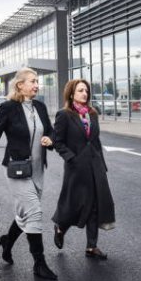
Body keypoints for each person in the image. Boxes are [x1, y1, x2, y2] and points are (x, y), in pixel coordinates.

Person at [0, 68, 58, 280]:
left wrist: (50, 140)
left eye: (37, 81)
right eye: (32, 81)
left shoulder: (40, 107)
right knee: (34, 213)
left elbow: (50, 131)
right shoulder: (8, 108)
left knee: (25, 213)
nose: (36, 85)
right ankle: (39, 263)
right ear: (20, 85)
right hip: (18, 170)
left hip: (37, 170)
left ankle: (7, 241)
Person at [52, 79, 115, 260]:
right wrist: (71, 158)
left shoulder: (92, 114)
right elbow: (57, 141)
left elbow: (95, 141)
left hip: (95, 167)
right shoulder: (64, 115)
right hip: (76, 168)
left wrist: (101, 165)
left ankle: (91, 246)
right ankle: (60, 227)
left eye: (86, 91)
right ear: (71, 94)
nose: (85, 94)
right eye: (80, 90)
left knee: (94, 206)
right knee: (75, 205)